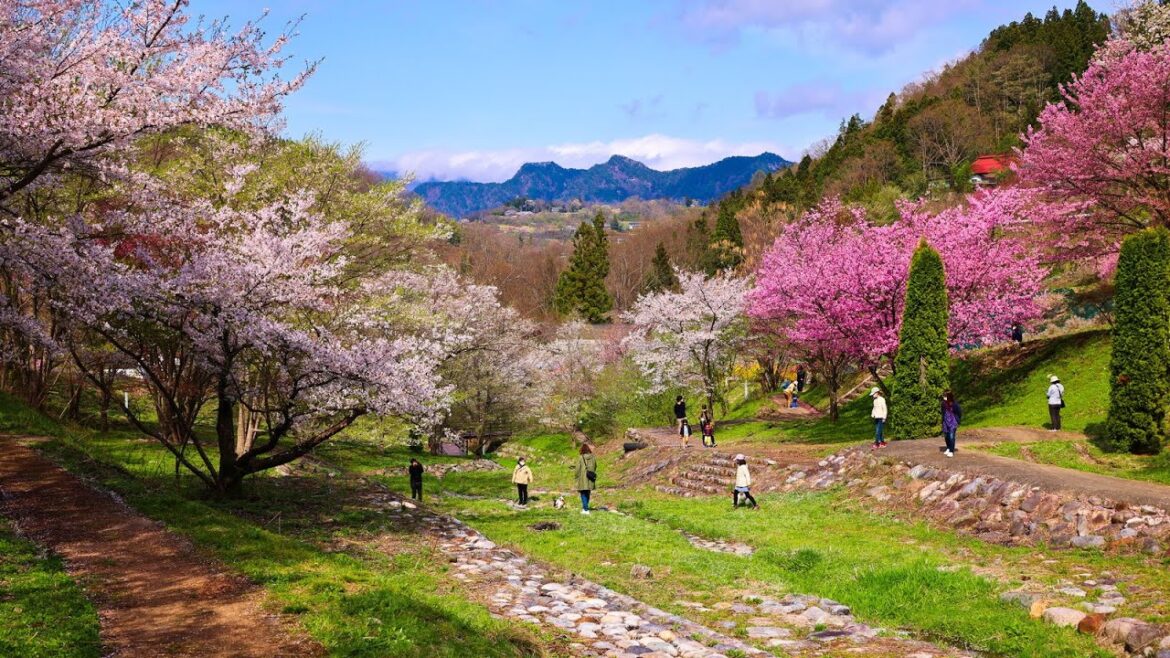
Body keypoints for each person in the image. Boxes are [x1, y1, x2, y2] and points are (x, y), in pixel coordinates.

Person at [574, 443, 597, 514]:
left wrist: (576, 476)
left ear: (581, 450)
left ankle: (586, 509)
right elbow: (595, 466)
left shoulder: (581, 458)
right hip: (590, 477)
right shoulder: (593, 457)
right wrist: (591, 472)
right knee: (588, 493)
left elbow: (577, 469)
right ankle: (585, 508)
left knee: (583, 493)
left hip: (583, 478)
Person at [941, 391, 962, 458]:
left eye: (946, 396)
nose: (945, 398)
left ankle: (951, 451)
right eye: (944, 396)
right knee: (946, 436)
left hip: (953, 422)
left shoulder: (954, 404)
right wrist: (943, 421)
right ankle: (948, 448)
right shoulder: (943, 404)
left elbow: (959, 412)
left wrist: (957, 420)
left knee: (951, 436)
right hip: (945, 422)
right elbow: (943, 413)